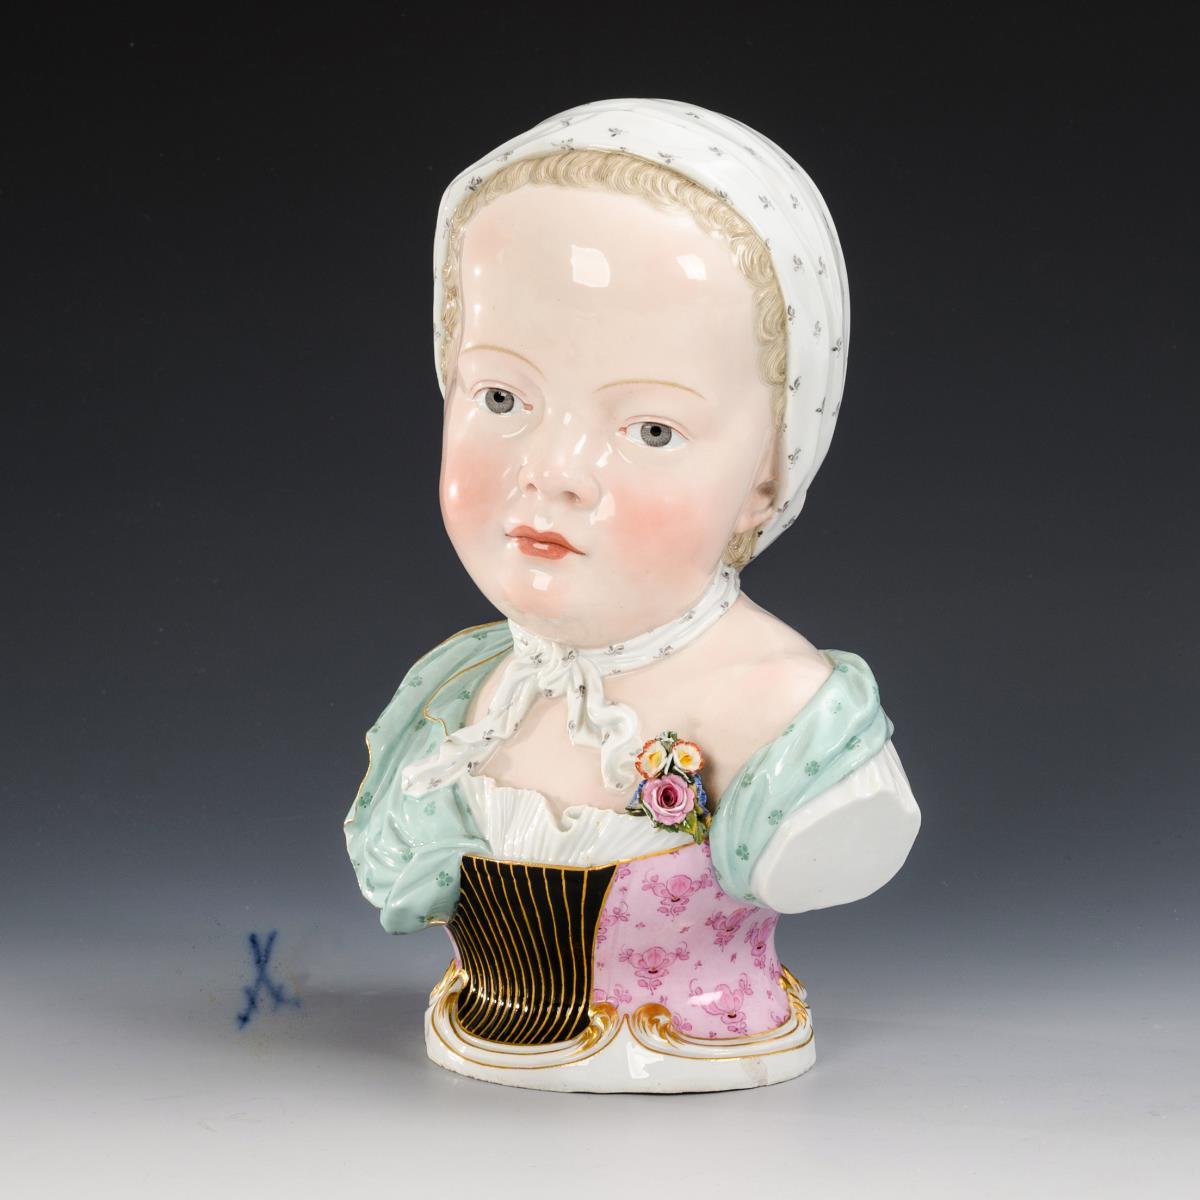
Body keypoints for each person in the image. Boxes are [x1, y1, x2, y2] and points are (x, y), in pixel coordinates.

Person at [343, 99, 920, 1092]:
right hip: (486, 1020)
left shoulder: (785, 714)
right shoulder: (456, 695)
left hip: (704, 1029)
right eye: (501, 397)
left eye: (650, 429)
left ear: (768, 474)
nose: (554, 471)